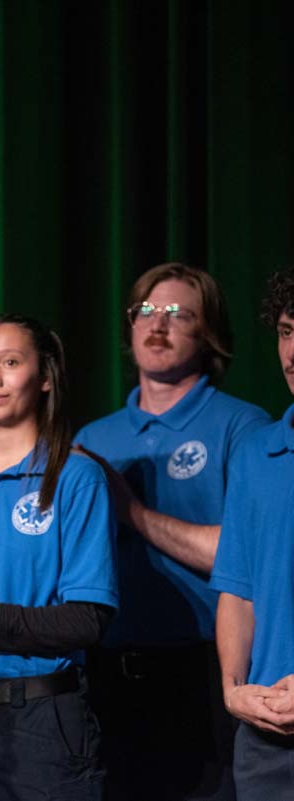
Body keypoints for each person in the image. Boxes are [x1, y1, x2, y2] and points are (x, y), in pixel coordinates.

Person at [75, 263, 270, 801]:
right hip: (110, 673)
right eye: (146, 311)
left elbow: (244, 557)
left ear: (209, 335)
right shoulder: (96, 436)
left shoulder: (242, 426)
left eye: (179, 314)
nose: (157, 326)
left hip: (203, 674)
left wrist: (132, 512)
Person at [0, 314, 118, 801]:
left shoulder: (76, 476)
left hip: (43, 720)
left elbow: (86, 620)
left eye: (10, 362)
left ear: (45, 377)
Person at [210, 267, 294, 801]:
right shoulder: (256, 454)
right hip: (266, 741)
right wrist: (233, 690)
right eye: (287, 330)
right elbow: (238, 592)